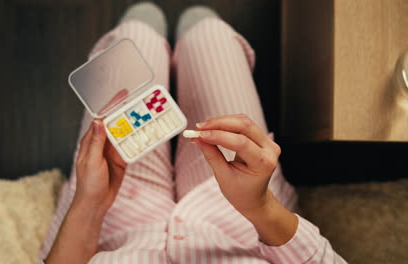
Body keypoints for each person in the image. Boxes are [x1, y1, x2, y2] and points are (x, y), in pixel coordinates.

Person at [39, 3, 346, 263]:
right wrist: (261, 206)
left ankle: (156, 42)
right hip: (243, 218)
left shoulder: (98, 204)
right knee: (207, 32)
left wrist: (88, 204)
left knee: (137, 32)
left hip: (109, 217)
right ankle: (185, 44)